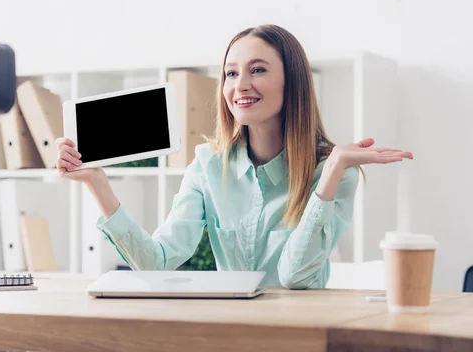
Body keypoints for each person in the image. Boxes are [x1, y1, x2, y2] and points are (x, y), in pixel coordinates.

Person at [55, 24, 413, 289]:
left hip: (299, 335)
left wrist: (332, 170)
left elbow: (295, 277)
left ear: (293, 82)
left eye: (257, 70)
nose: (240, 84)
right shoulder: (208, 166)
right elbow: (155, 262)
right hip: (231, 333)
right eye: (230, 73)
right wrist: (97, 183)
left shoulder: (334, 171)